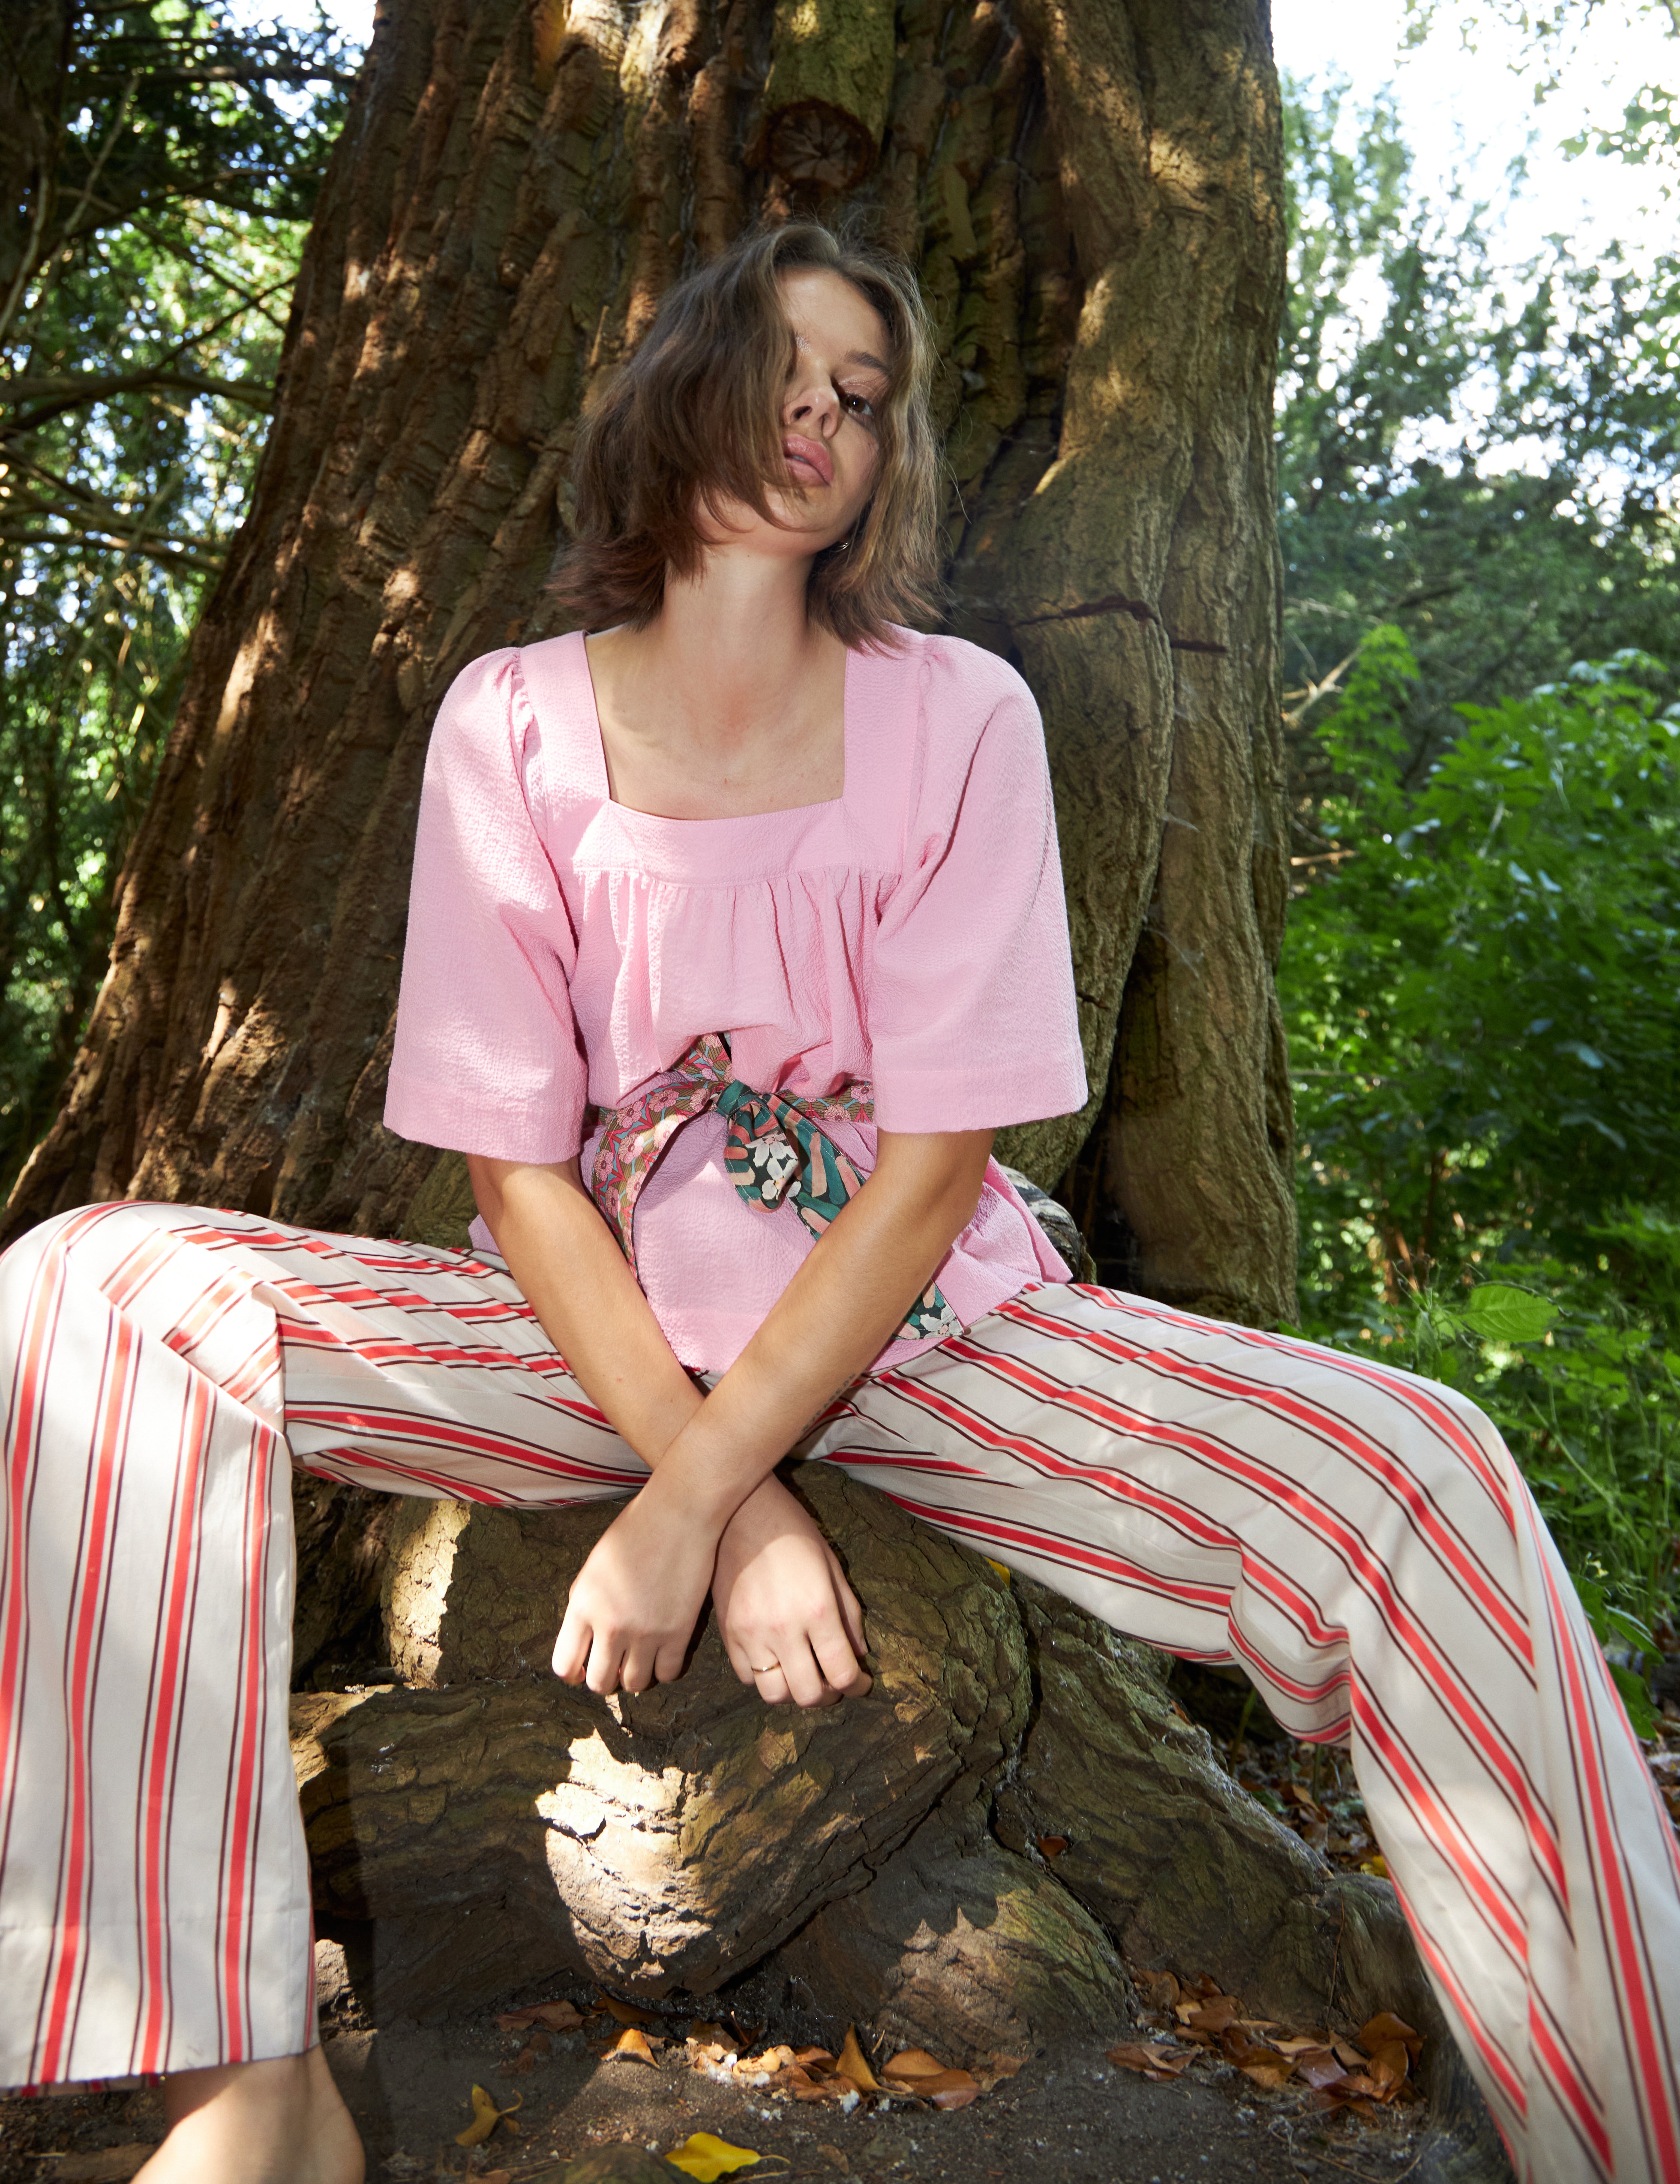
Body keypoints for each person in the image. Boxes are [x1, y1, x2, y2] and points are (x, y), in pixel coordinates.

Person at [0, 222, 1676, 2184]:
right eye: (782, 373)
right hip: (586, 1338)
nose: (819, 422)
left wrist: (708, 1509)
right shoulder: (513, 722)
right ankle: (240, 2082)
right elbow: (518, 1171)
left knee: (1428, 1471)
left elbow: (934, 1162)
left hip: (933, 1338)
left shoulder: (960, 714)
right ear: (678, 385)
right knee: (92, 1290)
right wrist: (718, 1476)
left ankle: (1630, 2125)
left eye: (862, 399)